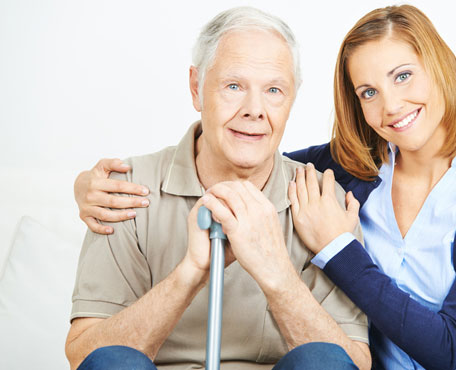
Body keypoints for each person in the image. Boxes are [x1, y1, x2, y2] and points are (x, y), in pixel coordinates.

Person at [75, 5, 456, 370]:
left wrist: (333, 250)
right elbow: (256, 155)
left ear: (441, 68)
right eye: (368, 92)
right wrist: (83, 185)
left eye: (404, 75)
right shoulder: (350, 169)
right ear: (197, 87)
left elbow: (440, 349)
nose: (391, 104)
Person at [65, 7, 372, 370]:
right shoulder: (123, 192)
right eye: (234, 86)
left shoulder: (323, 202)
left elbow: (352, 363)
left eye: (274, 89)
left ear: (292, 99)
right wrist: (190, 273)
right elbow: (86, 358)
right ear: (196, 88)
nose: (254, 110)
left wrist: (276, 273)